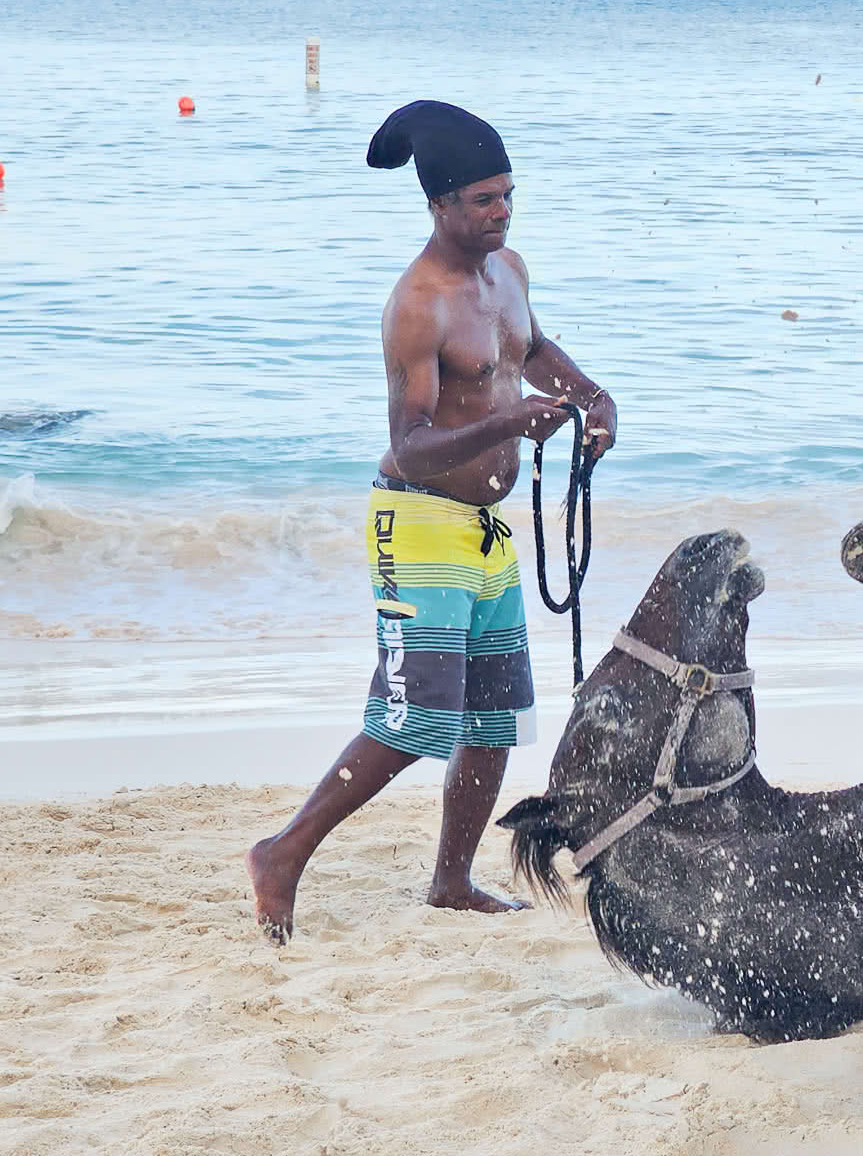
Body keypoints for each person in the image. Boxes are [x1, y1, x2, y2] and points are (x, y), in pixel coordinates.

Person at [248, 100, 618, 945]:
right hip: (416, 520)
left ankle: (452, 880)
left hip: (484, 533)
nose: (501, 214)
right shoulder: (418, 305)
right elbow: (410, 447)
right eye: (484, 201)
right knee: (418, 719)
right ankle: (282, 853)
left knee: (493, 716)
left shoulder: (511, 270)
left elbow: (534, 351)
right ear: (440, 206)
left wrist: (595, 400)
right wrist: (509, 423)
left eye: (508, 196)